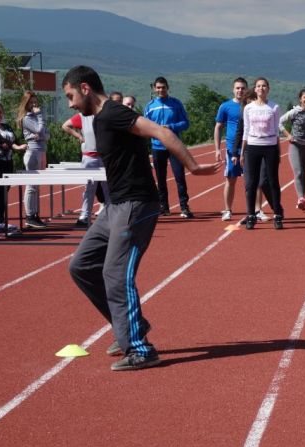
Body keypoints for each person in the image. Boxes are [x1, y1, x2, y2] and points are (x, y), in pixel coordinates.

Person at [63, 65, 221, 371]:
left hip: (136, 204)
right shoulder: (98, 119)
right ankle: (130, 327)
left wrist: (192, 166)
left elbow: (161, 131)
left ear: (84, 88)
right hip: (115, 205)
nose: (70, 104)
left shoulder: (112, 113)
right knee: (81, 265)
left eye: (70, 95)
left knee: (115, 273)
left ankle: (139, 348)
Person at [144, 77, 193, 218]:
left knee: (179, 177)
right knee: (160, 179)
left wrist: (171, 127)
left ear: (167, 87)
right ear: (154, 88)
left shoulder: (176, 104)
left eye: (163, 87)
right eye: (158, 87)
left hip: (174, 146)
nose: (161, 90)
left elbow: (185, 123)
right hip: (157, 147)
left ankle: (184, 207)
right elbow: (145, 127)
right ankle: (164, 207)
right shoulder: (149, 106)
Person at [241, 77, 284, 230]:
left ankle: (278, 215)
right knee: (251, 182)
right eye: (259, 86)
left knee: (272, 181)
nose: (261, 88)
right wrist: (242, 151)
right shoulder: (248, 108)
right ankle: (251, 215)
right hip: (253, 146)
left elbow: (277, 131)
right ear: (255, 89)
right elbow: (246, 130)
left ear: (268, 88)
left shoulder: (274, 107)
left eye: (264, 86)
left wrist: (278, 150)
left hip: (270, 146)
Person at [0, 101, 27, 233]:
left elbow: (15, 141)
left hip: (6, 163)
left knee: (3, 193)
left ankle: (1, 222)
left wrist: (21, 146)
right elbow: (0, 140)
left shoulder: (7, 127)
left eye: (0, 112)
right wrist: (14, 146)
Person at [62, 112, 110, 226]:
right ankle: (84, 216)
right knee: (89, 188)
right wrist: (79, 136)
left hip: (105, 156)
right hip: (89, 157)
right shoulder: (82, 116)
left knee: (108, 188)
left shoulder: (106, 113)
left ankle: (110, 215)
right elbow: (65, 125)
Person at [214, 77, 248, 221]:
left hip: (249, 148)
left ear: (247, 89)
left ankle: (254, 210)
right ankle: (227, 210)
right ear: (233, 89)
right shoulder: (225, 106)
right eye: (237, 88)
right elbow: (218, 127)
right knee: (231, 179)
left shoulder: (251, 105)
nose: (240, 90)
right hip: (231, 149)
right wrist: (217, 149)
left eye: (242, 88)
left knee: (251, 180)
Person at [279, 87, 305, 211]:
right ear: (300, 99)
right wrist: (288, 135)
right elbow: (279, 122)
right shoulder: (295, 112)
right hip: (295, 145)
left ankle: (302, 200)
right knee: (298, 172)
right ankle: (301, 198)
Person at [16, 91, 50, 228]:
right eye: (32, 102)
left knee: (36, 186)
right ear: (26, 103)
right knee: (31, 186)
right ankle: (29, 216)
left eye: (36, 102)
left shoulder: (35, 117)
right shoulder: (27, 118)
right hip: (32, 153)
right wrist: (40, 119)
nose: (35, 105)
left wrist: (41, 134)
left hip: (41, 152)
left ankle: (35, 214)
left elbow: (47, 135)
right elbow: (40, 130)